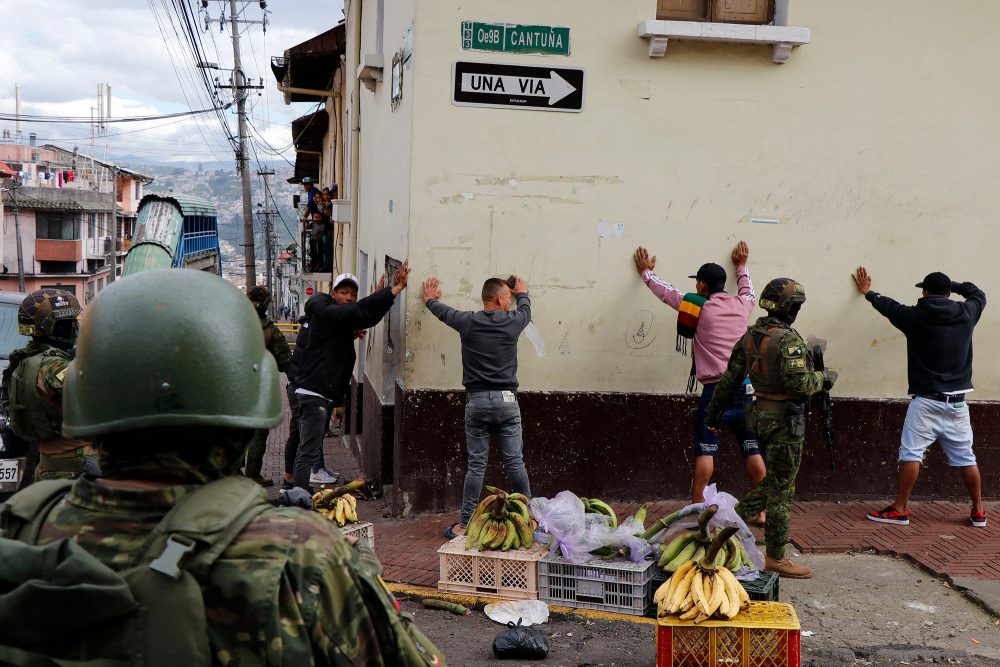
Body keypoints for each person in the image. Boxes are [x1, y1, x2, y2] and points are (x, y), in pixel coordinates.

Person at [0, 269, 444, 665]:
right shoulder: (300, 555)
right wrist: (363, 571)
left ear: (87, 400)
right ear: (244, 410)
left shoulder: (25, 525)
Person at [704, 278, 835, 579]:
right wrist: (823, 379)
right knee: (781, 491)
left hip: (759, 417)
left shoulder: (751, 336)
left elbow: (728, 381)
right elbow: (799, 384)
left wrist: (713, 417)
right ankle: (775, 555)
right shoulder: (787, 340)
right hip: (784, 422)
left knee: (776, 481)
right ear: (790, 307)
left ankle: (726, 519)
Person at [634, 242, 764, 519]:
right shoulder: (744, 305)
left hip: (716, 391)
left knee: (706, 450)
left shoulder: (698, 307)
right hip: (747, 390)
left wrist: (647, 274)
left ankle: (696, 510)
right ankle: (763, 512)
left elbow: (668, 294)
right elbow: (749, 290)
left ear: (702, 285)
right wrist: (741, 265)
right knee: (752, 448)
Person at [853, 268, 987, 528]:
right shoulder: (968, 313)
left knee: (912, 454)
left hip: (926, 402)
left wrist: (868, 292)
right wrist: (953, 285)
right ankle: (979, 511)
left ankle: (901, 509)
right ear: (948, 293)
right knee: (966, 458)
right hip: (958, 403)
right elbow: (977, 294)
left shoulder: (913, 316)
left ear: (924, 292)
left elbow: (888, 306)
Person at [423, 275, 532, 540]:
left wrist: (429, 300)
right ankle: (529, 519)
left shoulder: (467, 322)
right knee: (515, 462)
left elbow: (443, 312)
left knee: (476, 466)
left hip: (478, 401)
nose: (509, 300)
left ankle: (463, 525)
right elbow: (526, 311)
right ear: (499, 299)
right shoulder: (513, 322)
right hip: (507, 402)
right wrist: (523, 293)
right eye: (507, 296)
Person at [290, 266, 410, 495]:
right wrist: (395, 288)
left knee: (308, 448)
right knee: (307, 450)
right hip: (313, 395)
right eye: (344, 292)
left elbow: (366, 317)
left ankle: (297, 492)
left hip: (319, 394)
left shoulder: (338, 320)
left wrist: (380, 296)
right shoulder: (326, 313)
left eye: (353, 294)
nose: (349, 297)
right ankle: (299, 496)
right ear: (333, 294)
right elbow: (356, 313)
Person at [3, 288, 98, 481]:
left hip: (48, 466)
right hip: (77, 470)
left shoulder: (22, 362)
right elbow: (99, 406)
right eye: (68, 323)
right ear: (53, 327)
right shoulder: (54, 368)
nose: (74, 328)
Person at [242, 286, 292, 486]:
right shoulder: (271, 330)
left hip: (235, 386)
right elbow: (285, 362)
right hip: (260, 388)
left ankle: (235, 471)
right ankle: (253, 474)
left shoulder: (233, 325)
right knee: (258, 433)